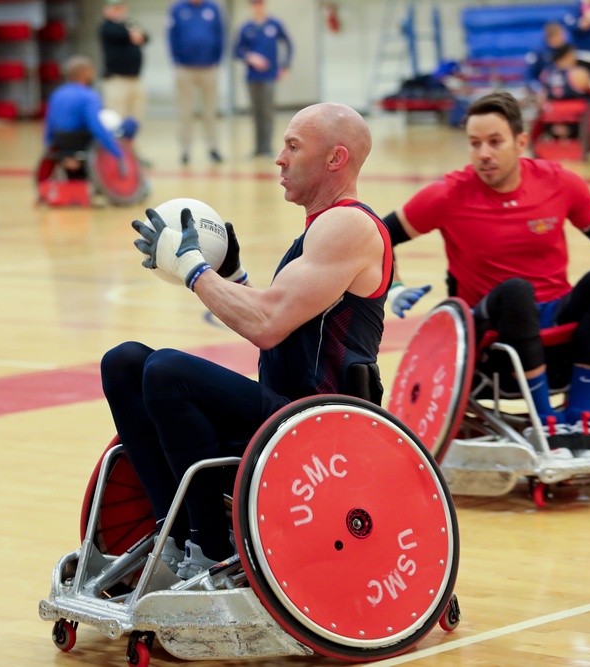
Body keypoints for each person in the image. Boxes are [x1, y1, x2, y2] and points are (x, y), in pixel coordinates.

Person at [103, 103, 392, 578]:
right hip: (285, 409)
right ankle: (170, 537)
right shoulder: (323, 229)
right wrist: (233, 277)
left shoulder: (350, 225)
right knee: (126, 362)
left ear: (336, 159)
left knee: (169, 372)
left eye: (293, 147)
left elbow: (268, 324)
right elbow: (287, 323)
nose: (279, 158)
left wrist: (194, 269)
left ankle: (209, 550)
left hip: (320, 425)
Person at [382, 92, 590, 456]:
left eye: (495, 142)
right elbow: (379, 234)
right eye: (474, 144)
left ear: (521, 142)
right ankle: (545, 420)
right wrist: (394, 286)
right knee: (516, 291)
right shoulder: (448, 194)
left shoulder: (558, 182)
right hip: (490, 337)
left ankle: (581, 416)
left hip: (556, 326)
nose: (484, 153)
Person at [42, 55, 126, 183]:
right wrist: (117, 153)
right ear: (84, 73)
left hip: (61, 141)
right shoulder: (89, 95)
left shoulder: (57, 93)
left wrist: (50, 147)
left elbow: (49, 124)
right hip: (82, 142)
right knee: (127, 126)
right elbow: (96, 126)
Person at [167, 0, 225, 165]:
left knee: (210, 111)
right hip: (185, 68)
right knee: (185, 111)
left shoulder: (213, 8)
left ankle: (212, 148)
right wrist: (177, 60)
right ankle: (185, 149)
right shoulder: (177, 8)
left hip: (209, 68)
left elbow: (220, 34)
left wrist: (216, 60)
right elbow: (171, 35)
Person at [233, 0, 293, 158]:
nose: (257, 7)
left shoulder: (274, 25)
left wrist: (285, 66)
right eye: (254, 4)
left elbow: (288, 44)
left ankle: (267, 147)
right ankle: (257, 148)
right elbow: (237, 50)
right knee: (256, 112)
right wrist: (250, 57)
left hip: (269, 75)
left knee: (267, 111)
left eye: (260, 4)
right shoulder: (247, 28)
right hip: (252, 76)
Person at [99, 0, 149, 126]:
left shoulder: (129, 23)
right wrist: (133, 35)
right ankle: (116, 145)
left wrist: (134, 35)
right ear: (107, 11)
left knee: (135, 116)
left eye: (120, 8)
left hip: (134, 78)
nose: (119, 11)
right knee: (116, 117)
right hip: (117, 79)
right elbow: (123, 35)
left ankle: (130, 144)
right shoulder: (106, 27)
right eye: (115, 8)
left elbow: (146, 37)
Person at [525, 22, 568, 96]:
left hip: (564, 89)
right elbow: (529, 76)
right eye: (561, 35)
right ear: (553, 36)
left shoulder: (566, 51)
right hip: (544, 90)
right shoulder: (539, 52)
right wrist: (538, 89)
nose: (564, 38)